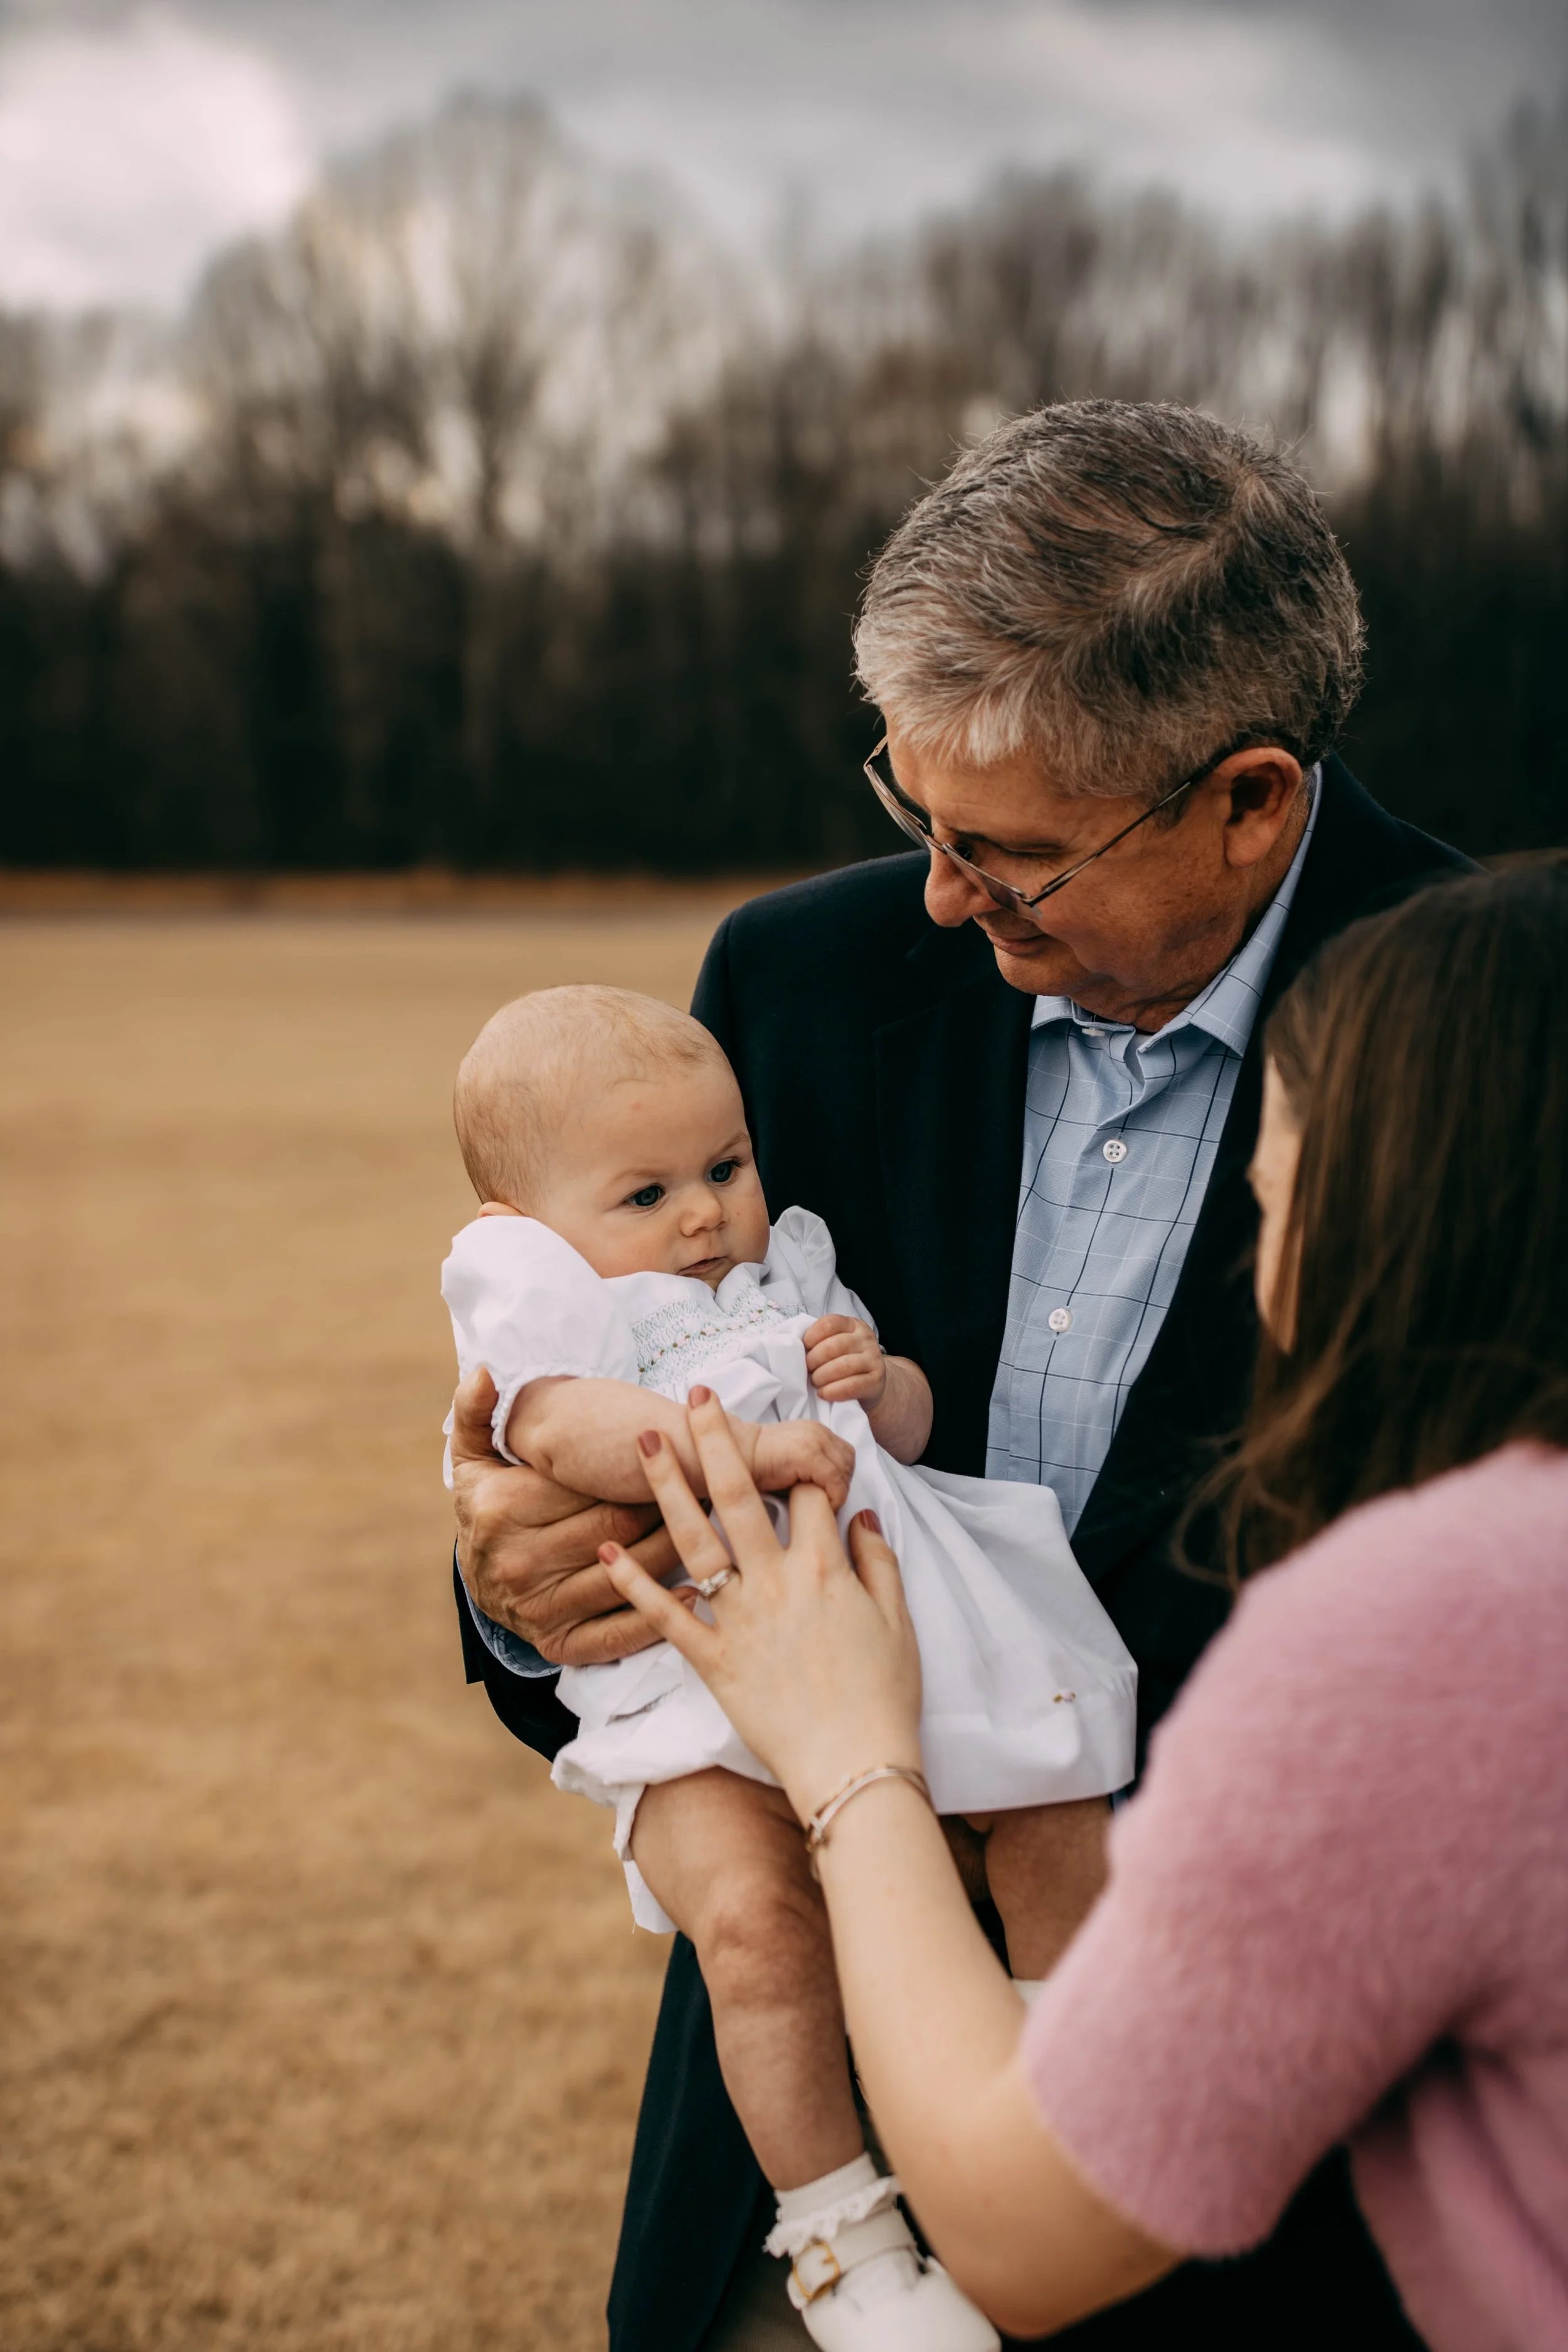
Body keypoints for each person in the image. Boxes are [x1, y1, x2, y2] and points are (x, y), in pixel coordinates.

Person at [448, 399, 1471, 2349]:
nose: (937, 894)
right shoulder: (791, 984)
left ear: (1247, 796)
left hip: (1287, 2159)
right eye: (915, 816)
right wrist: (519, 1591)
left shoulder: (1491, 1017)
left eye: (1007, 855)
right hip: (813, 2072)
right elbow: (597, 1410)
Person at [600, 859, 1568, 2352]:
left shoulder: (1427, 1621)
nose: (1254, 1180)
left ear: (1413, 1193)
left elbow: (1028, 2222)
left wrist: (849, 1748)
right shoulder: (793, 985)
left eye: (1288, 1141)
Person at [441, 983, 1135, 2350]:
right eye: (645, 1193)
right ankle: (842, 2240)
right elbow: (566, 1433)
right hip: (696, 1688)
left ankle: (1064, 2106)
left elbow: (918, 1431)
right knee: (757, 1931)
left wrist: (878, 1387)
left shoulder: (781, 1278)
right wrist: (746, 1452)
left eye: (723, 1169)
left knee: (1057, 1808)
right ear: (526, 1229)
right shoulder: (548, 1310)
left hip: (886, 1631)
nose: (702, 1214)